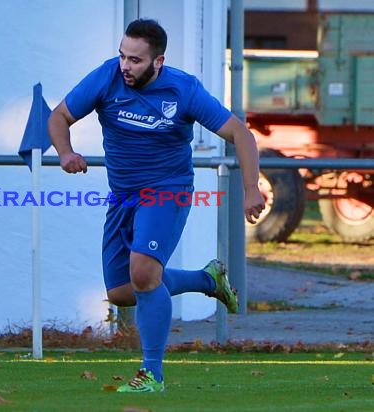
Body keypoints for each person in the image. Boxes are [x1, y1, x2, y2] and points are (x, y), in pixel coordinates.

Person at [48, 18, 265, 393]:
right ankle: (206, 278)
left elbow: (239, 134)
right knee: (121, 291)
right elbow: (59, 116)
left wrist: (251, 189)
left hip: (167, 190)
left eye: (135, 60)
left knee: (144, 273)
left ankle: (152, 375)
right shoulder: (106, 77)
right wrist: (65, 152)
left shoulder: (183, 90)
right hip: (123, 196)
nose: (125, 66)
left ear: (158, 61)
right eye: (122, 56)